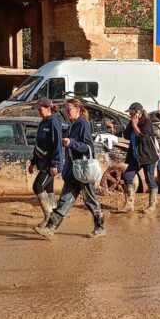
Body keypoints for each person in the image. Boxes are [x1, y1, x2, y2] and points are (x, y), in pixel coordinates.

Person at [34, 98, 106, 239]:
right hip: (74, 170)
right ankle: (50, 229)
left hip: (83, 170)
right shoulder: (72, 125)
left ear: (78, 110)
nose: (67, 112)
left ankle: (100, 227)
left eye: (69, 109)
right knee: (65, 200)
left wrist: (72, 142)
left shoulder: (82, 124)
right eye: (66, 110)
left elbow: (88, 147)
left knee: (90, 200)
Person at [28, 97, 63, 228]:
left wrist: (55, 164)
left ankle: (49, 216)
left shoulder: (54, 122)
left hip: (50, 164)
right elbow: (39, 144)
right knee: (48, 190)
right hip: (42, 162)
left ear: (48, 108)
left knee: (37, 186)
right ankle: (54, 216)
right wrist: (32, 162)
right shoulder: (44, 122)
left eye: (41, 109)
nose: (39, 112)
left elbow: (57, 146)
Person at [119, 102, 159, 214]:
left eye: (132, 112)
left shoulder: (146, 123)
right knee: (127, 176)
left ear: (138, 112)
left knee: (149, 180)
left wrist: (135, 125)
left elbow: (143, 138)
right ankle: (129, 204)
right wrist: (131, 125)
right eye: (129, 113)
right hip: (135, 157)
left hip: (147, 156)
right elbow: (126, 135)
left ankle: (152, 205)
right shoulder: (131, 122)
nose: (130, 115)